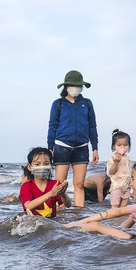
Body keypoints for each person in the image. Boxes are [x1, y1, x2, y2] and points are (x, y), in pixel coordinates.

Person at [66, 158, 136, 239]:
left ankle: (72, 226)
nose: (131, 184)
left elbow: (116, 212)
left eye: (133, 179)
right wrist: (118, 230)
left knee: (96, 225)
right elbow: (130, 220)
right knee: (102, 228)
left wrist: (86, 221)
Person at [47, 71, 99, 208]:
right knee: (59, 184)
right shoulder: (58, 104)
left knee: (79, 184)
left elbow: (92, 126)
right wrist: (50, 149)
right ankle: (58, 211)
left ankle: (79, 212)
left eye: (78, 85)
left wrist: (95, 148)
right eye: (72, 85)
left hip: (81, 147)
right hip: (62, 146)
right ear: (66, 86)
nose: (75, 88)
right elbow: (52, 126)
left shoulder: (87, 104)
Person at [20, 147, 71, 217]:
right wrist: (50, 194)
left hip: (52, 222)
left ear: (51, 166)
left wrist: (63, 194)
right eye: (37, 164)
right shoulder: (27, 186)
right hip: (34, 222)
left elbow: (68, 205)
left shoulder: (55, 184)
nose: (42, 167)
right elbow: (28, 206)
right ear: (29, 167)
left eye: (46, 164)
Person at [106, 129, 133, 208]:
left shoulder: (129, 158)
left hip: (127, 187)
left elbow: (131, 172)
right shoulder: (112, 158)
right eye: (119, 145)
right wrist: (116, 163)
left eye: (125, 145)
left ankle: (121, 220)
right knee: (115, 206)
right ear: (114, 146)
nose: (122, 147)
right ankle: (113, 220)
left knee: (124, 207)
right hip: (117, 186)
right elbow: (111, 172)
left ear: (129, 146)